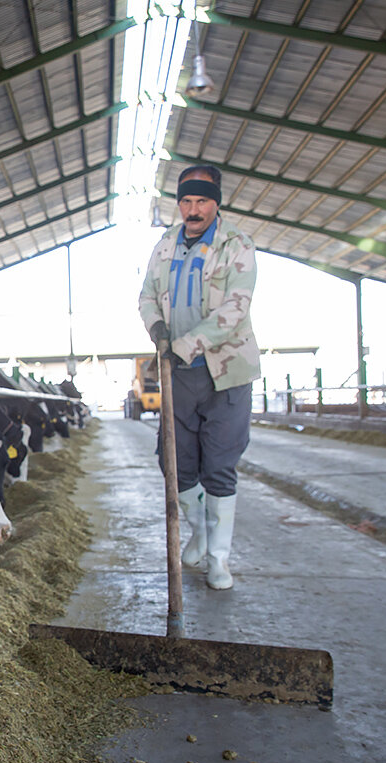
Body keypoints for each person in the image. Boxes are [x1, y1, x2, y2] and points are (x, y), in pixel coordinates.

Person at [139, 165, 260, 590]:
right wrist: (157, 330)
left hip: (226, 374)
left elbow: (234, 310)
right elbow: (147, 295)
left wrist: (184, 346)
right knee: (175, 464)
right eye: (186, 202)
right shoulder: (166, 245)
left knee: (220, 466)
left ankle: (219, 560)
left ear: (216, 203)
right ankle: (201, 533)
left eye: (201, 202)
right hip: (178, 374)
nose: (193, 210)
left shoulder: (237, 246)